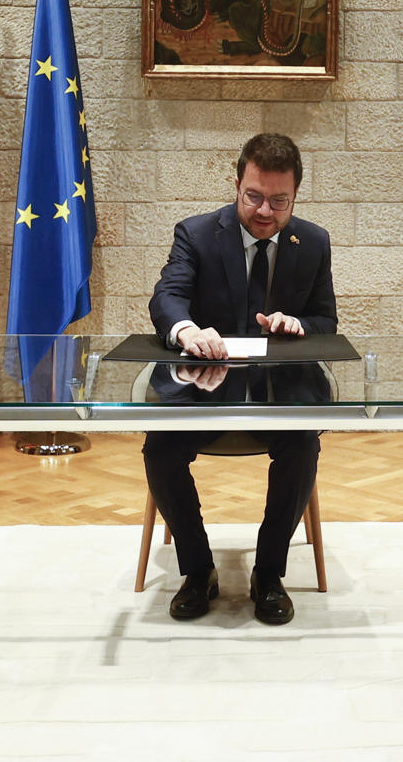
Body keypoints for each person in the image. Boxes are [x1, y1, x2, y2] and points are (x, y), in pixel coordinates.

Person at [144, 132, 336, 625]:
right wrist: (186, 329)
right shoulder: (196, 233)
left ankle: (268, 575)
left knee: (302, 447)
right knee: (160, 449)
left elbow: (325, 321)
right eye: (254, 196)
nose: (265, 211)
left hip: (279, 391)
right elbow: (167, 297)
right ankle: (198, 569)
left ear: (296, 196)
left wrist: (300, 326)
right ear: (236, 184)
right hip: (202, 385)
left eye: (279, 200)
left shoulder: (312, 242)